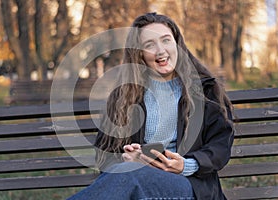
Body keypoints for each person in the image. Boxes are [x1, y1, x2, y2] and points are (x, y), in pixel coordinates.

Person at [67, 12, 234, 200]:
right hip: (139, 184)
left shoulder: (205, 91)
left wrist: (186, 165)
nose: (160, 50)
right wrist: (127, 159)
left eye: (166, 40)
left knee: (130, 175)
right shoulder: (123, 97)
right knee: (128, 172)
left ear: (177, 44)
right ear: (139, 54)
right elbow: (104, 156)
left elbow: (220, 146)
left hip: (191, 187)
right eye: (149, 45)